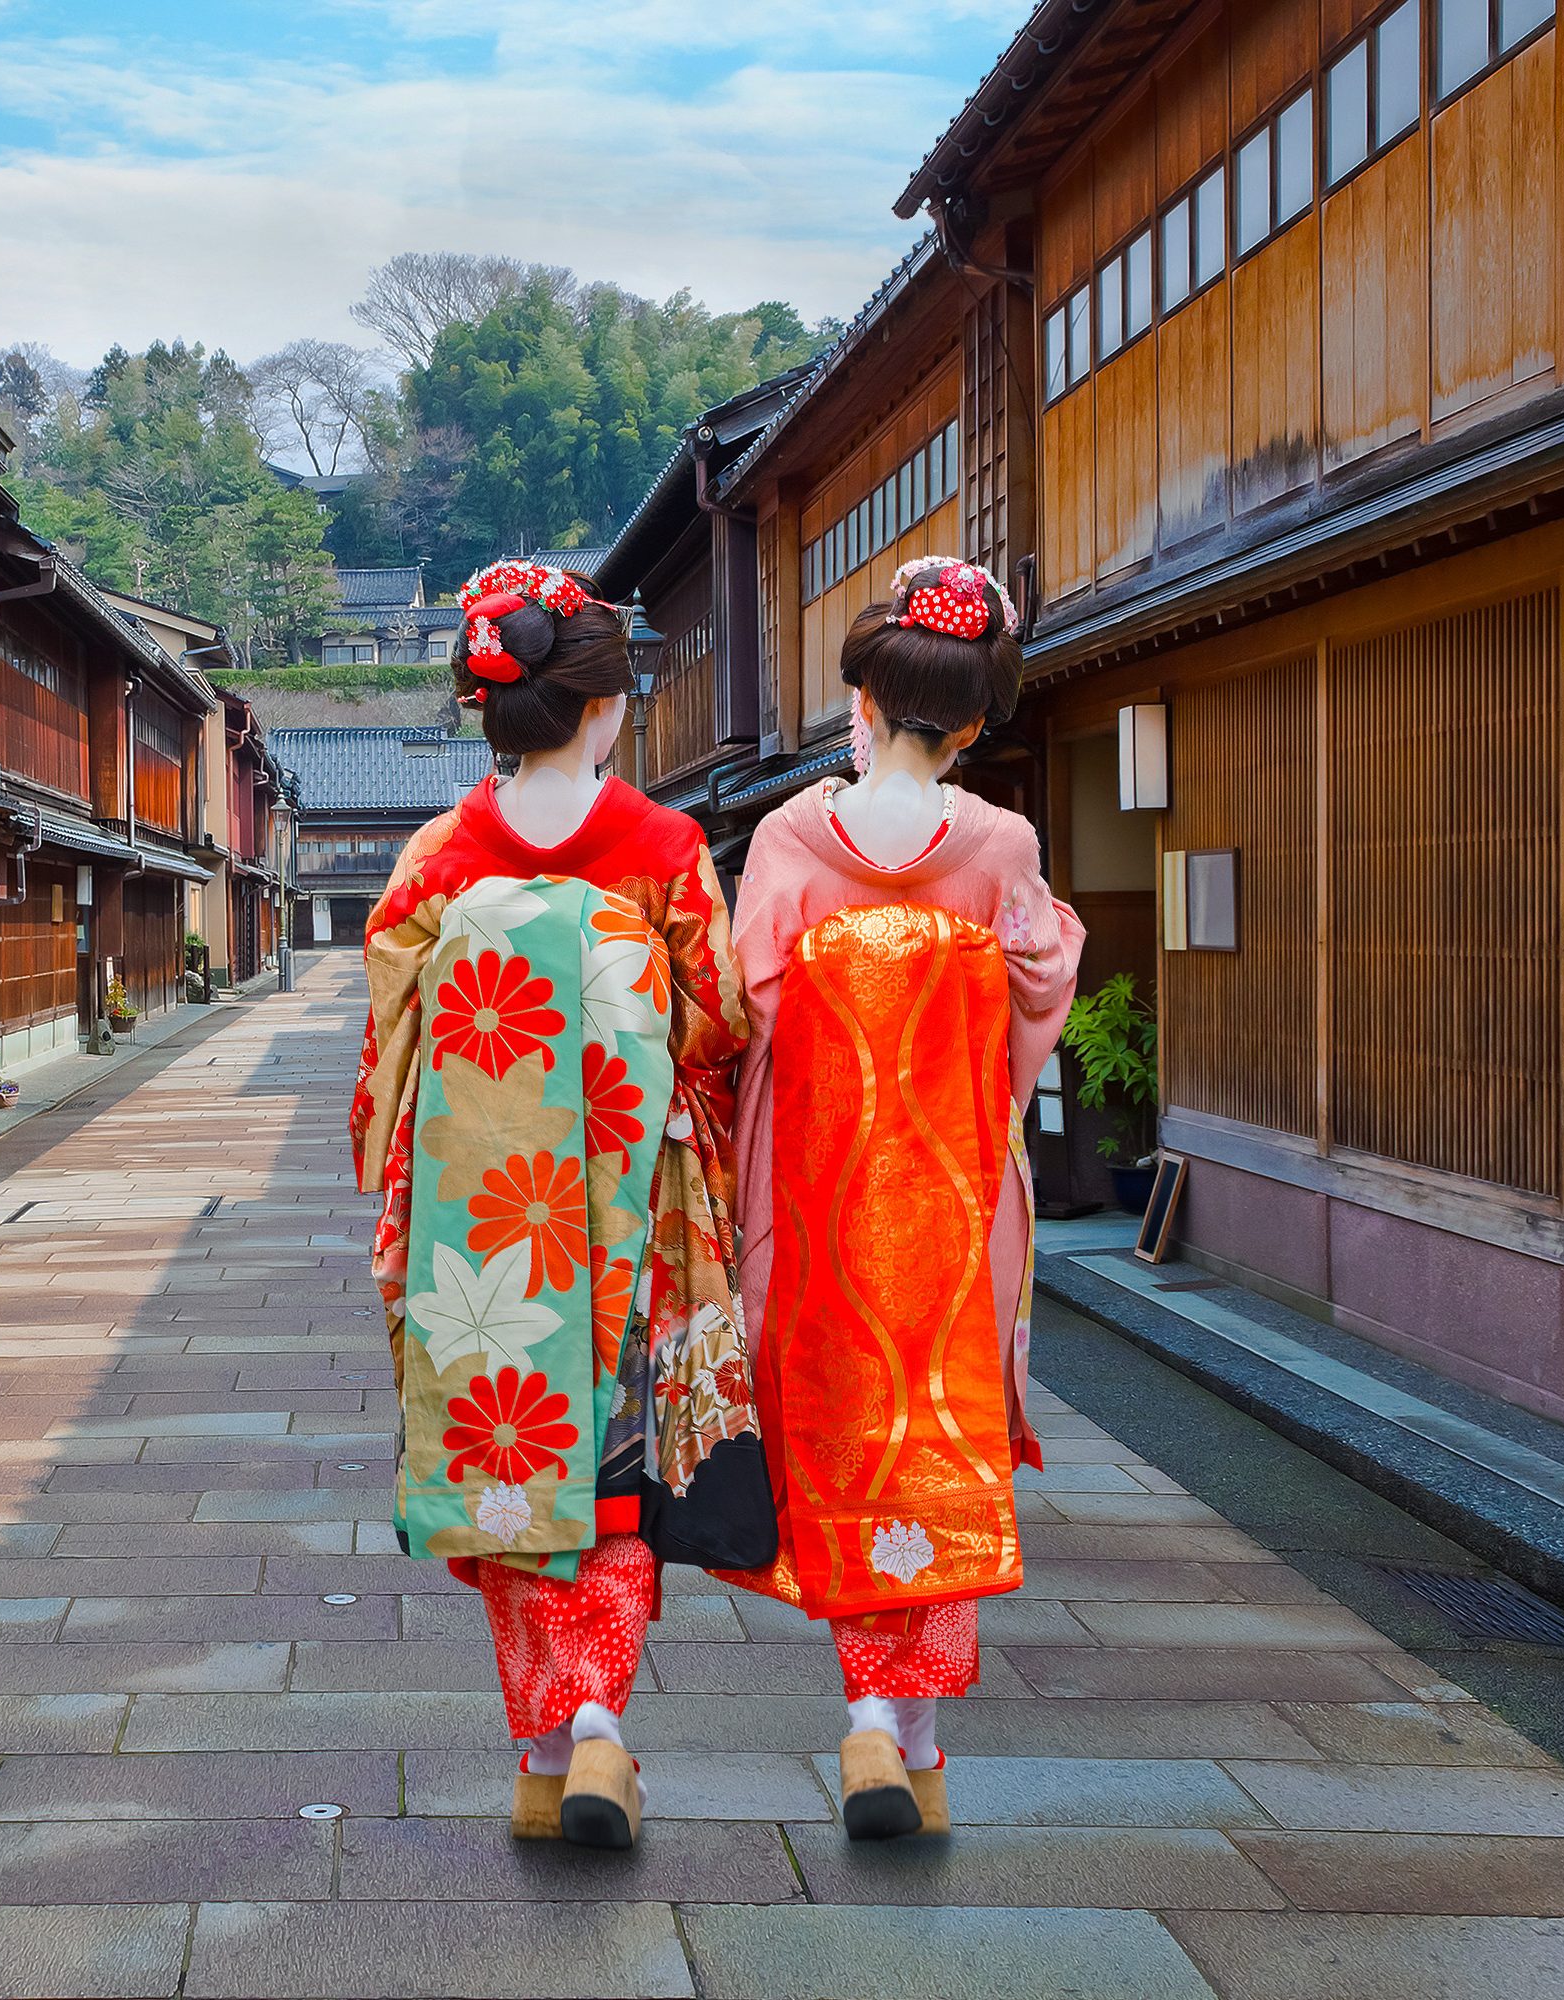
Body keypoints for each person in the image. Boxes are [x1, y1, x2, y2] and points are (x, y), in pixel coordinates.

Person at [352, 560, 764, 1849]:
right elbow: (719, 1026)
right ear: (602, 710)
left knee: (503, 1463)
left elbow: (391, 1052)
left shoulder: (437, 860)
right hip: (624, 1220)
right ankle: (596, 1731)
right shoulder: (664, 849)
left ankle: (546, 1748)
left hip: (480, 1223)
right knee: (616, 1467)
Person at [722, 556, 1085, 1840]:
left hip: (817, 1206)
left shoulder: (783, 839)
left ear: (857, 707)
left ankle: (874, 1713)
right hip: (951, 1200)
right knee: (941, 1435)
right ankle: (901, 1726)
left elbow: (743, 1008)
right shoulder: (1002, 845)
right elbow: (1037, 996)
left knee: (839, 1432)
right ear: (977, 721)